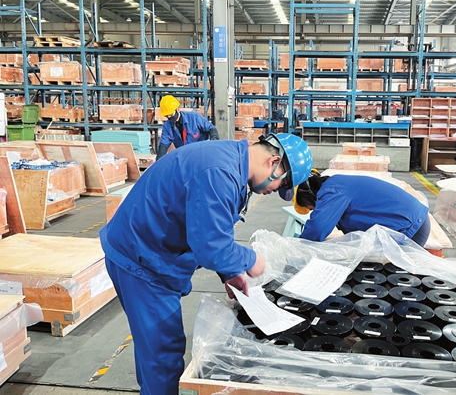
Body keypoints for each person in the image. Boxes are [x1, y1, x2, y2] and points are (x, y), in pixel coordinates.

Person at [100, 133, 313, 395]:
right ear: (274, 162)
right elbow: (211, 247)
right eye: (281, 184)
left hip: (149, 247)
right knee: (162, 353)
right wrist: (250, 260)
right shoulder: (219, 173)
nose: (274, 191)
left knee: (154, 349)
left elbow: (209, 226)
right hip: (142, 259)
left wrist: (229, 272)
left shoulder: (231, 162)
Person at [294, 172, 431, 246]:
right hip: (412, 220)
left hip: (411, 227)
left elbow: (318, 227)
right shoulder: (337, 183)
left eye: (309, 208)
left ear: (308, 196)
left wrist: (299, 247)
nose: (313, 210)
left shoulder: (333, 190)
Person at [156, 94, 219, 160]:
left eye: (171, 114)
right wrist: (158, 163)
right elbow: (163, 146)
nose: (169, 117)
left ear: (178, 109)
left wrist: (214, 140)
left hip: (201, 154)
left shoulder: (194, 118)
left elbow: (211, 128)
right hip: (185, 157)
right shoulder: (167, 127)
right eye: (166, 115)